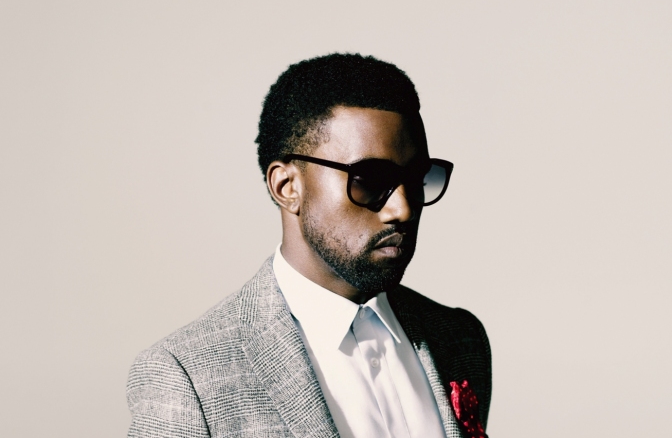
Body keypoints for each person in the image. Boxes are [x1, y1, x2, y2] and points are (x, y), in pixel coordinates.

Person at [126, 53, 491, 438]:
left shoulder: (459, 339)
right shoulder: (186, 378)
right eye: (369, 180)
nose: (402, 209)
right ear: (287, 187)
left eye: (416, 179)